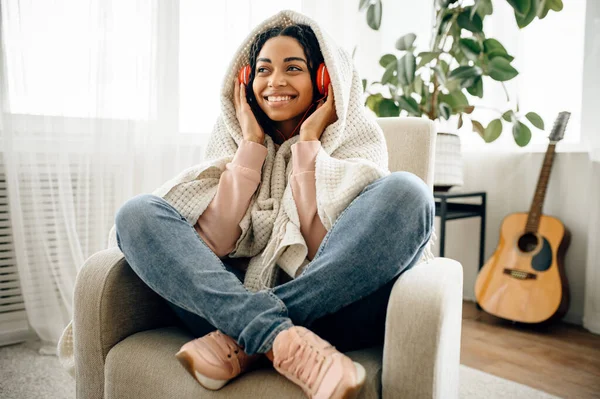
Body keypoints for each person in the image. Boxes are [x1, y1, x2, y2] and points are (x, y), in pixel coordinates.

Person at [114, 10, 434, 399]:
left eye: (292, 68)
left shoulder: (357, 140)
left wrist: (309, 144)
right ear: (247, 81)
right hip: (226, 301)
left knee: (408, 192)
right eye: (263, 70)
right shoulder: (232, 141)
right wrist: (250, 148)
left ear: (323, 79)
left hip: (336, 311)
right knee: (136, 214)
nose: (275, 81)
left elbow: (324, 255)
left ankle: (244, 338)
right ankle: (278, 338)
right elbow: (213, 245)